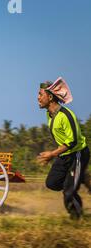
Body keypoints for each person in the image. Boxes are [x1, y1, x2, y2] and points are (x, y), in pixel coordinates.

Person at [37, 79, 89, 219]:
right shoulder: (49, 114)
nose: (38, 97)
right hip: (65, 154)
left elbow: (72, 142)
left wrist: (52, 154)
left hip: (78, 154)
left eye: (40, 94)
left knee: (68, 191)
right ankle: (81, 178)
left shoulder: (66, 115)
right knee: (52, 183)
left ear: (50, 97)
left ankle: (77, 219)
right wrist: (53, 155)